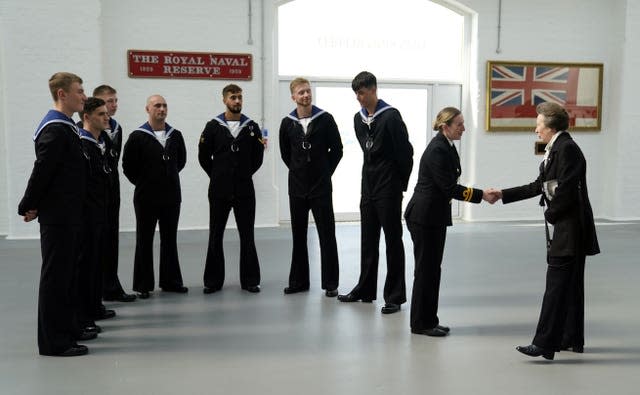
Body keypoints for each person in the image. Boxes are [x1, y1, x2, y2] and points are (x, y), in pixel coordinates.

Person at [492, 102, 600, 360]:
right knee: (570, 286)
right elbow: (539, 186)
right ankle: (570, 338)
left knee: (556, 286)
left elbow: (566, 190)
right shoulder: (558, 148)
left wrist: (551, 214)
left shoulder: (567, 149)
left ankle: (544, 344)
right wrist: (502, 194)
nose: (536, 129)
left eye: (539, 124)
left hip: (570, 229)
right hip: (567, 226)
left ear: (551, 127)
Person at [404, 107, 496, 337]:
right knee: (426, 271)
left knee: (433, 270)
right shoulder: (438, 150)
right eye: (459, 124)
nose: (464, 128)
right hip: (424, 217)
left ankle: (429, 319)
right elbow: (448, 187)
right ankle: (420, 324)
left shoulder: (447, 146)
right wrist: (481, 195)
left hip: (433, 216)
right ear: (445, 126)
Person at [18, 72, 89, 356]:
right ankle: (53, 342)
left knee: (67, 276)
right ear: (62, 94)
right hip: (58, 216)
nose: (84, 96)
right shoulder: (54, 128)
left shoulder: (67, 127)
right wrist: (28, 203)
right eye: (79, 91)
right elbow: (43, 170)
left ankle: (67, 330)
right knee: (56, 278)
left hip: (69, 213)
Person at [338, 71, 413, 314]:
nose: (358, 98)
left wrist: (399, 185)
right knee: (367, 240)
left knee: (393, 241)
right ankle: (366, 288)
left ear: (373, 90)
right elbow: (367, 152)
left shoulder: (391, 116)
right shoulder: (358, 119)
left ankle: (394, 296)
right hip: (368, 187)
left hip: (389, 187)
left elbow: (406, 154)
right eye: (356, 94)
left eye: (361, 92)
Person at [279, 77, 343, 297]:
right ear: (293, 97)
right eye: (301, 93)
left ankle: (331, 283)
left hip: (321, 188)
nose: (305, 95)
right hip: (296, 188)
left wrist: (324, 172)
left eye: (308, 91)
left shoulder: (325, 119)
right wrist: (299, 171)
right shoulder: (287, 123)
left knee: (327, 234)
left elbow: (337, 150)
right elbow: (285, 154)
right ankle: (298, 281)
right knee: (298, 235)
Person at [198, 84, 264, 294]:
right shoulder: (212, 126)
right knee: (215, 235)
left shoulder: (252, 127)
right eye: (233, 97)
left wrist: (242, 174)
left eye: (240, 97)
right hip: (219, 191)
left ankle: (250, 280)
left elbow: (257, 158)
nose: (237, 101)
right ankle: (213, 282)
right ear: (224, 100)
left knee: (247, 235)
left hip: (244, 190)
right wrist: (219, 175)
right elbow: (203, 157)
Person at [122, 95, 188, 299]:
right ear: (147, 109)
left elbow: (181, 161)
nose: (161, 109)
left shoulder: (175, 135)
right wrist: (145, 182)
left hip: (171, 196)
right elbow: (128, 167)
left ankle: (171, 281)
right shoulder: (137, 136)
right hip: (146, 198)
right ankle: (143, 284)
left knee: (170, 239)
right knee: (144, 239)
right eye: (157, 105)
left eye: (164, 105)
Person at [93, 85, 137, 303]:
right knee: (95, 243)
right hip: (94, 193)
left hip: (112, 189)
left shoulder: (117, 127)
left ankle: (111, 286)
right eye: (109, 101)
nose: (114, 105)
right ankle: (94, 292)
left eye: (115, 100)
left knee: (111, 239)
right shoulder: (87, 128)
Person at [77, 97, 114, 335]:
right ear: (87, 117)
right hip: (87, 213)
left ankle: (95, 305)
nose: (106, 116)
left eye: (106, 113)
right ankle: (83, 314)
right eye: (101, 114)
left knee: (98, 261)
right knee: (85, 266)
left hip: (103, 209)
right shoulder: (82, 143)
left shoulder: (104, 140)